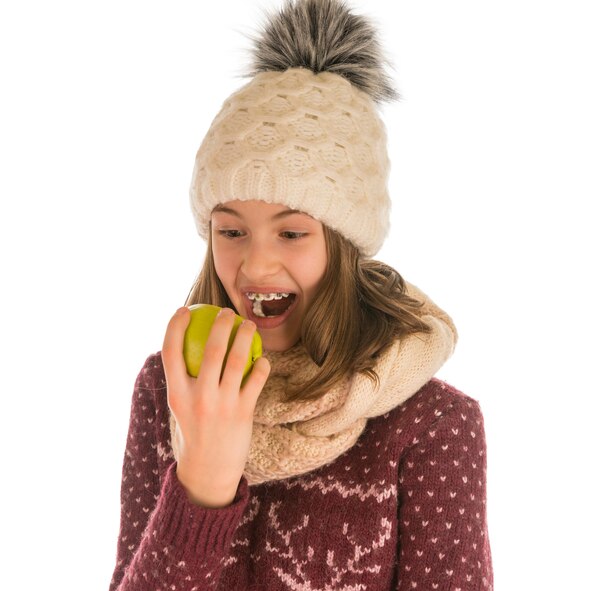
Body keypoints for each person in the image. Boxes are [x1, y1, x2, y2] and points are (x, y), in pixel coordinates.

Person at [109, 0, 493, 589]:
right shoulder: (168, 393)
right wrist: (201, 488)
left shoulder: (432, 425)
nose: (255, 264)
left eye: (292, 233)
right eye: (231, 231)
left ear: (343, 245)